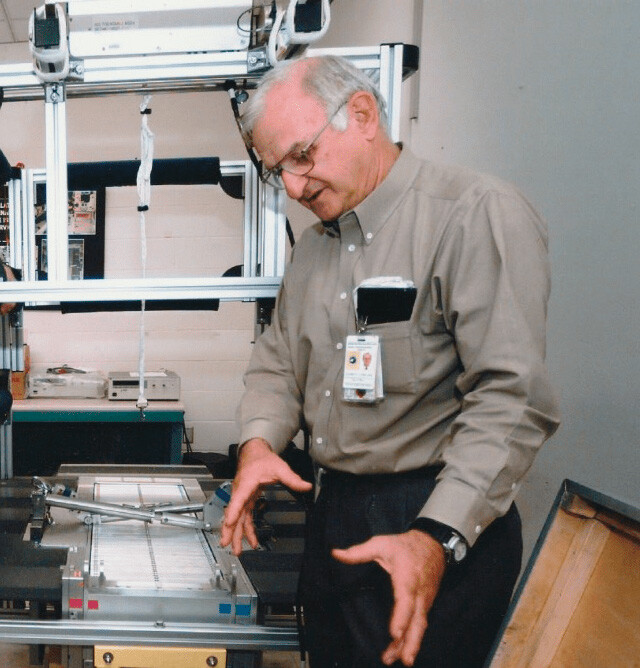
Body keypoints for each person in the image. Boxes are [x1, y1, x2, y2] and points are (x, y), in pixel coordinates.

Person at [221, 55, 560, 667]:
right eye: (278, 172)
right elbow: (278, 365)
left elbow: (513, 399)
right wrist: (259, 444)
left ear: (362, 115)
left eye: (302, 156)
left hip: (431, 519)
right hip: (336, 514)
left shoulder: (473, 214)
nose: (293, 188)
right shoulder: (315, 249)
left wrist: (435, 536)